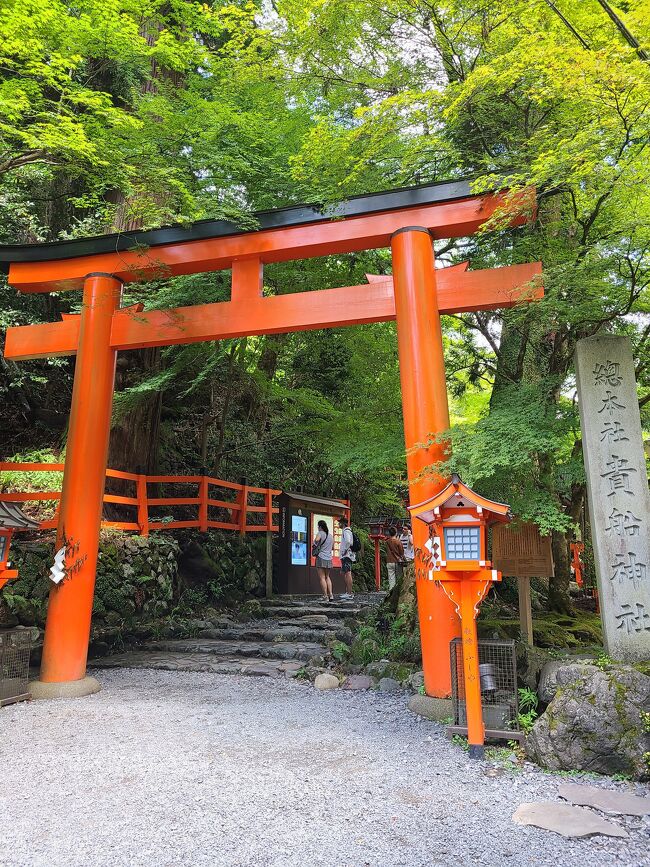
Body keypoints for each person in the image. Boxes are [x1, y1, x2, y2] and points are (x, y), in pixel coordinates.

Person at [313, 519, 334, 602]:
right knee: (327, 577)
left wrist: (315, 543)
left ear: (320, 527)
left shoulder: (320, 533)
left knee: (322, 578)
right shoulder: (330, 536)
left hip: (321, 557)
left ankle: (325, 596)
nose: (318, 528)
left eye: (318, 526)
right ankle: (331, 595)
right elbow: (332, 548)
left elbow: (317, 540)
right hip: (329, 558)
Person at [337, 515, 355, 600]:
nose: (338, 524)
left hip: (346, 555)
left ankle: (349, 593)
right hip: (347, 555)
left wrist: (344, 550)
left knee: (348, 573)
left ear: (343, 523)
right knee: (346, 573)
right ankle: (348, 592)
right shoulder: (347, 531)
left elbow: (348, 542)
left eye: (339, 523)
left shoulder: (346, 531)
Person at [384, 526, 404, 591]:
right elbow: (401, 553)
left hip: (389, 561)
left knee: (391, 578)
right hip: (397, 561)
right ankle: (397, 592)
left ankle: (391, 592)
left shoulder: (387, 542)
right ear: (396, 533)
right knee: (398, 577)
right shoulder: (398, 542)